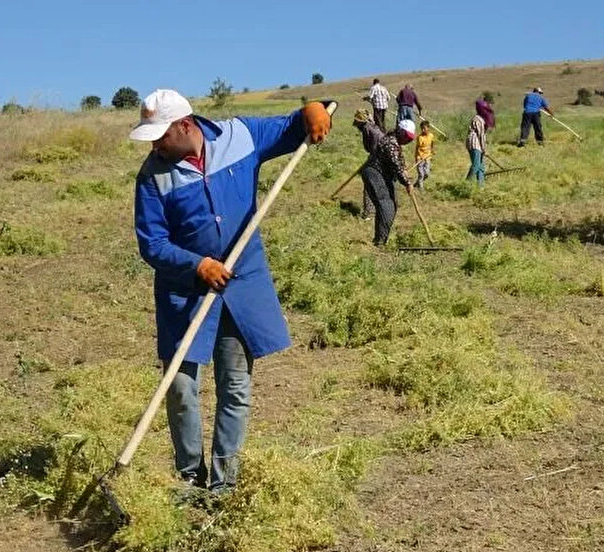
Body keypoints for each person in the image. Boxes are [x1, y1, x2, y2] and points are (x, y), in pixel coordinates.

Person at [130, 89, 332, 494]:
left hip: (240, 285)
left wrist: (313, 111)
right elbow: (151, 243)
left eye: (160, 136)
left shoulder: (239, 136)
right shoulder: (152, 177)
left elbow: (295, 126)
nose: (154, 145)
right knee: (182, 386)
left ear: (184, 125)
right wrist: (197, 265)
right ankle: (189, 475)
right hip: (184, 292)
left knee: (235, 385)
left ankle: (224, 483)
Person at [353, 110, 415, 246]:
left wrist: (405, 173)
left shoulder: (395, 142)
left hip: (382, 174)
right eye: (407, 137)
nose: (407, 141)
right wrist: (407, 182)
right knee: (385, 204)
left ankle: (381, 239)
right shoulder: (391, 143)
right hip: (374, 173)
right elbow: (396, 164)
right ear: (400, 132)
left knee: (392, 204)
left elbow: (400, 161)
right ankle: (379, 242)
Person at [466, 107, 487, 187]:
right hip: (475, 144)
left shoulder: (480, 119)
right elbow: (481, 135)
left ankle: (481, 186)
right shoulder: (479, 119)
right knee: (476, 165)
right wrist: (484, 148)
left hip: (476, 145)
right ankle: (466, 184)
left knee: (481, 167)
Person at [414, 120, 436, 190]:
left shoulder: (431, 136)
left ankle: (417, 183)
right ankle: (421, 188)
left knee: (426, 174)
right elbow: (417, 148)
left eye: (424, 128)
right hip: (420, 157)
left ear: (428, 128)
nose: (423, 130)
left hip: (427, 157)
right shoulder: (420, 137)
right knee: (421, 174)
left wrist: (432, 150)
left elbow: (432, 143)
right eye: (422, 129)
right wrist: (417, 157)